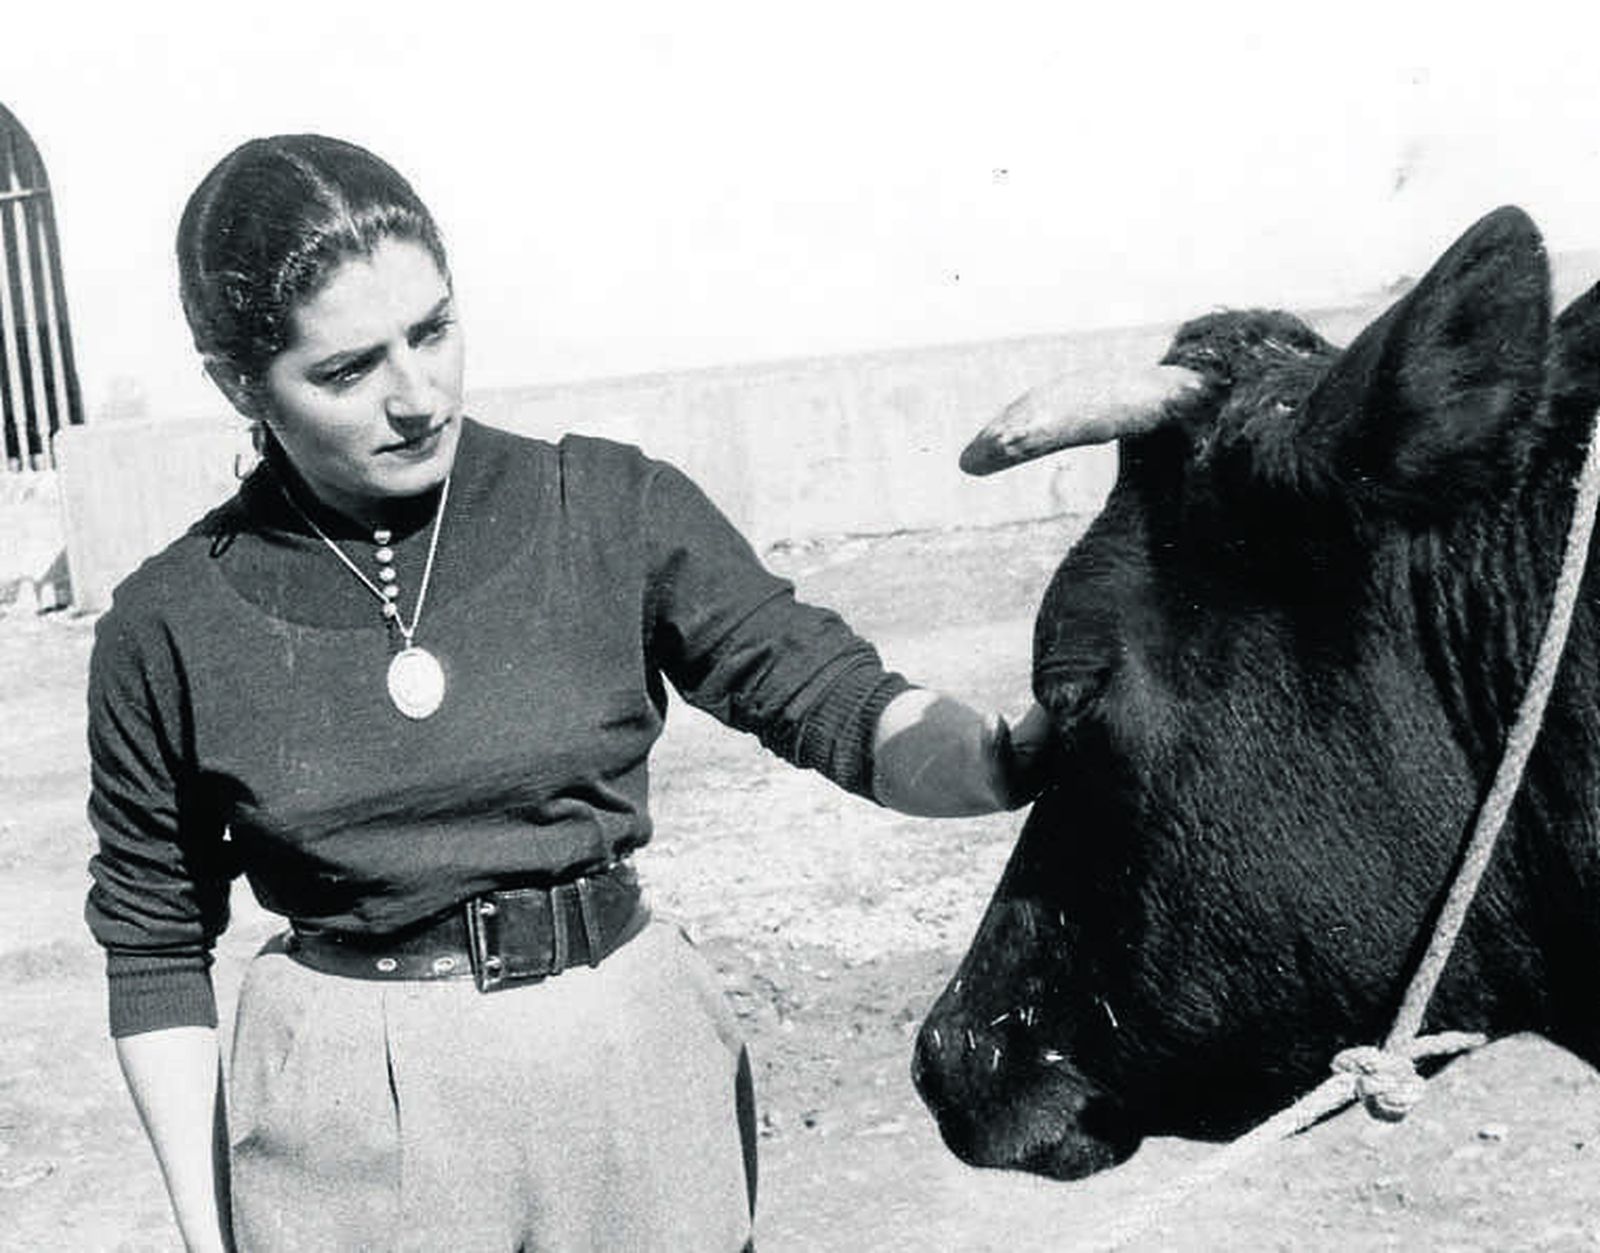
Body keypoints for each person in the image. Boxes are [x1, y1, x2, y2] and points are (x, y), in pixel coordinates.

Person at [85, 133, 1053, 1253]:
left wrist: (998, 755)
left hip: (627, 1062)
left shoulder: (604, 503)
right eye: (348, 369)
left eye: (434, 329)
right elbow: (155, 943)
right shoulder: (169, 621)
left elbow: (820, 689)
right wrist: (213, 1238)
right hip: (349, 1111)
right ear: (238, 383)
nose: (417, 395)